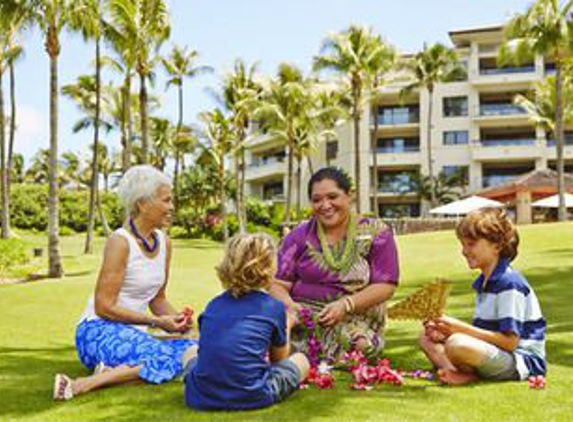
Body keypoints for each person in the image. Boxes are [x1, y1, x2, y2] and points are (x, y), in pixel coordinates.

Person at [53, 165, 198, 401]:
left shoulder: (165, 243)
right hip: (97, 330)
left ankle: (113, 372)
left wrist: (178, 322)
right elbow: (104, 307)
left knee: (197, 349)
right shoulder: (120, 242)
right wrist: (156, 322)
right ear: (142, 204)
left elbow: (158, 299)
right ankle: (82, 384)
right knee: (168, 357)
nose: (172, 207)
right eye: (166, 200)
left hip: (134, 334)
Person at [271, 167, 399, 360]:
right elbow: (277, 284)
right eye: (317, 200)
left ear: (349, 196)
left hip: (355, 319)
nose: (325, 205)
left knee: (363, 347)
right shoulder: (300, 234)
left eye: (333, 196)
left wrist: (346, 305)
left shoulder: (376, 233)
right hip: (303, 319)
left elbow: (386, 286)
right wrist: (291, 307)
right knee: (265, 337)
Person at [420, 208, 546, 385]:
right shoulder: (484, 283)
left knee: (457, 344)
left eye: (471, 244)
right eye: (462, 244)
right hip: (498, 353)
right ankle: (457, 371)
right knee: (426, 338)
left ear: (497, 246)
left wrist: (458, 328)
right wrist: (445, 332)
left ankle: (465, 373)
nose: (464, 251)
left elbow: (510, 343)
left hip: (520, 360)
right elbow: (484, 335)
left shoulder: (510, 283)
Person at [184, 233, 309, 411]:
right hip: (253, 396)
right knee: (301, 360)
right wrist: (287, 325)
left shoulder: (213, 305)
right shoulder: (272, 307)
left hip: (200, 396)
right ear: (269, 267)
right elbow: (278, 361)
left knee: (189, 352)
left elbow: (207, 351)